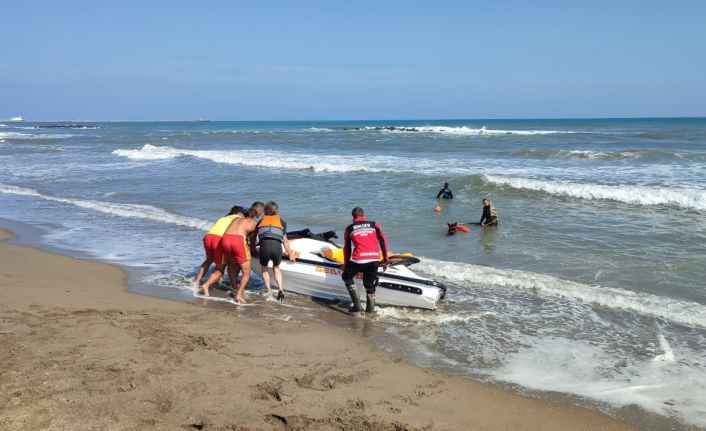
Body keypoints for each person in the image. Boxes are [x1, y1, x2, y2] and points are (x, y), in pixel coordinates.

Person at [202, 202, 264, 303]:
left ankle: (231, 287)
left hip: (225, 239)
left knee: (231, 264)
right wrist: (255, 252)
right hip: (238, 240)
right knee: (246, 271)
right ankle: (239, 294)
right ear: (259, 213)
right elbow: (252, 243)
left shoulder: (236, 219)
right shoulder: (253, 223)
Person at [341, 207, 389, 313]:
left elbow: (347, 248)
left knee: (346, 277)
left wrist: (346, 263)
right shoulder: (374, 224)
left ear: (353, 218)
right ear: (364, 216)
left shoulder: (349, 228)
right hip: (374, 259)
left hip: (359, 260)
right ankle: (370, 311)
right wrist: (386, 260)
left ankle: (357, 307)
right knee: (369, 285)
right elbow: (383, 241)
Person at [194, 205, 245, 295]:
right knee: (220, 268)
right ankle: (206, 285)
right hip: (219, 239)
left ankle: (196, 281)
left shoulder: (223, 218)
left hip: (208, 236)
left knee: (209, 260)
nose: (244, 216)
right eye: (243, 214)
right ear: (239, 213)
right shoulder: (239, 219)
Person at [256, 201, 296, 300]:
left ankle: (269, 291)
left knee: (264, 268)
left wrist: (252, 249)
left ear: (265, 211)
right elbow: (285, 241)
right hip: (276, 246)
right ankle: (280, 289)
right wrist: (290, 254)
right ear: (276, 211)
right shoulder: (282, 222)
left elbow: (256, 239)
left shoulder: (260, 222)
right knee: (276, 268)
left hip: (264, 246)